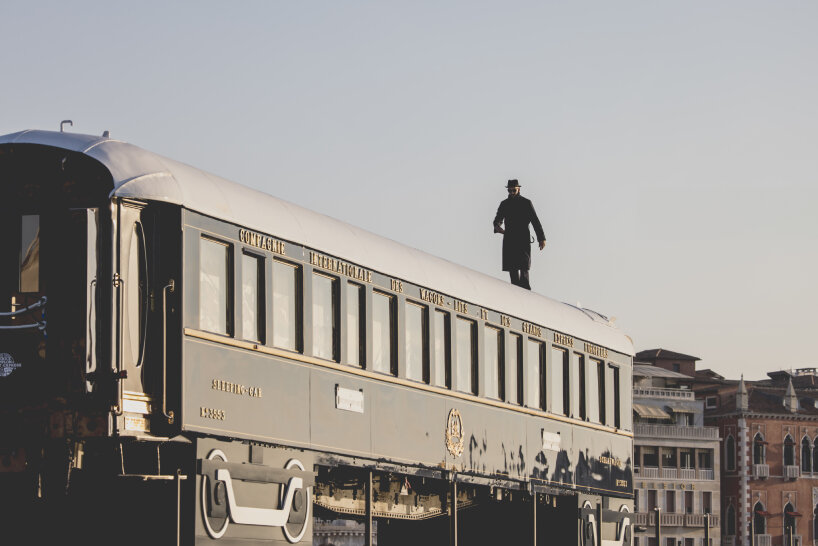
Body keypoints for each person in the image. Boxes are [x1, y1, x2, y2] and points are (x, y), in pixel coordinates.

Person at [492, 179, 546, 290]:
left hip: (523, 240)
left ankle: (526, 296)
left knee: (524, 269)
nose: (511, 193)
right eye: (510, 191)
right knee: (513, 273)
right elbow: (497, 220)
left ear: (518, 189)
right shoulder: (504, 204)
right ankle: (516, 296)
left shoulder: (526, 203)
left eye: (514, 190)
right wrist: (498, 227)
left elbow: (535, 221)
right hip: (510, 240)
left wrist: (541, 238)